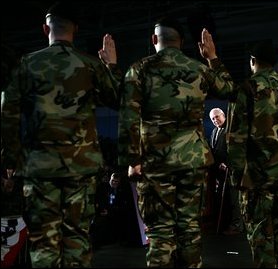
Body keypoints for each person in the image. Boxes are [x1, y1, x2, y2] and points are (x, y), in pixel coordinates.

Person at [1, 2, 121, 267]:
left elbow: (8, 114)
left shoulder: (27, 64)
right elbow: (118, 99)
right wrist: (111, 66)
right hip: (81, 169)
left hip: (39, 168)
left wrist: (10, 160)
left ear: (46, 29)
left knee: (44, 242)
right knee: (77, 239)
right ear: (75, 30)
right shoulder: (91, 65)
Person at [117, 16, 234, 267]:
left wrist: (132, 160)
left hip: (155, 162)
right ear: (181, 42)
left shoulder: (139, 69)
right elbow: (227, 89)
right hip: (192, 160)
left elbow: (128, 117)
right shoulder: (198, 68)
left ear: (153, 39)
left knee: (160, 231)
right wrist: (212, 57)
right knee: (190, 228)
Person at [228, 41, 278, 267]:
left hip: (257, 177)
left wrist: (237, 177)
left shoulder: (246, 89)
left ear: (253, 62)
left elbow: (236, 138)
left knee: (261, 234)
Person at [208, 107, 242, 235]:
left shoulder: (230, 131)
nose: (215, 120)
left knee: (234, 199)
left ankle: (237, 225)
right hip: (220, 171)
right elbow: (214, 151)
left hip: (231, 170)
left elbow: (235, 150)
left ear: (224, 116)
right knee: (225, 198)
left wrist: (227, 164)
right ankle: (227, 223)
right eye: (212, 118)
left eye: (217, 117)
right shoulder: (214, 131)